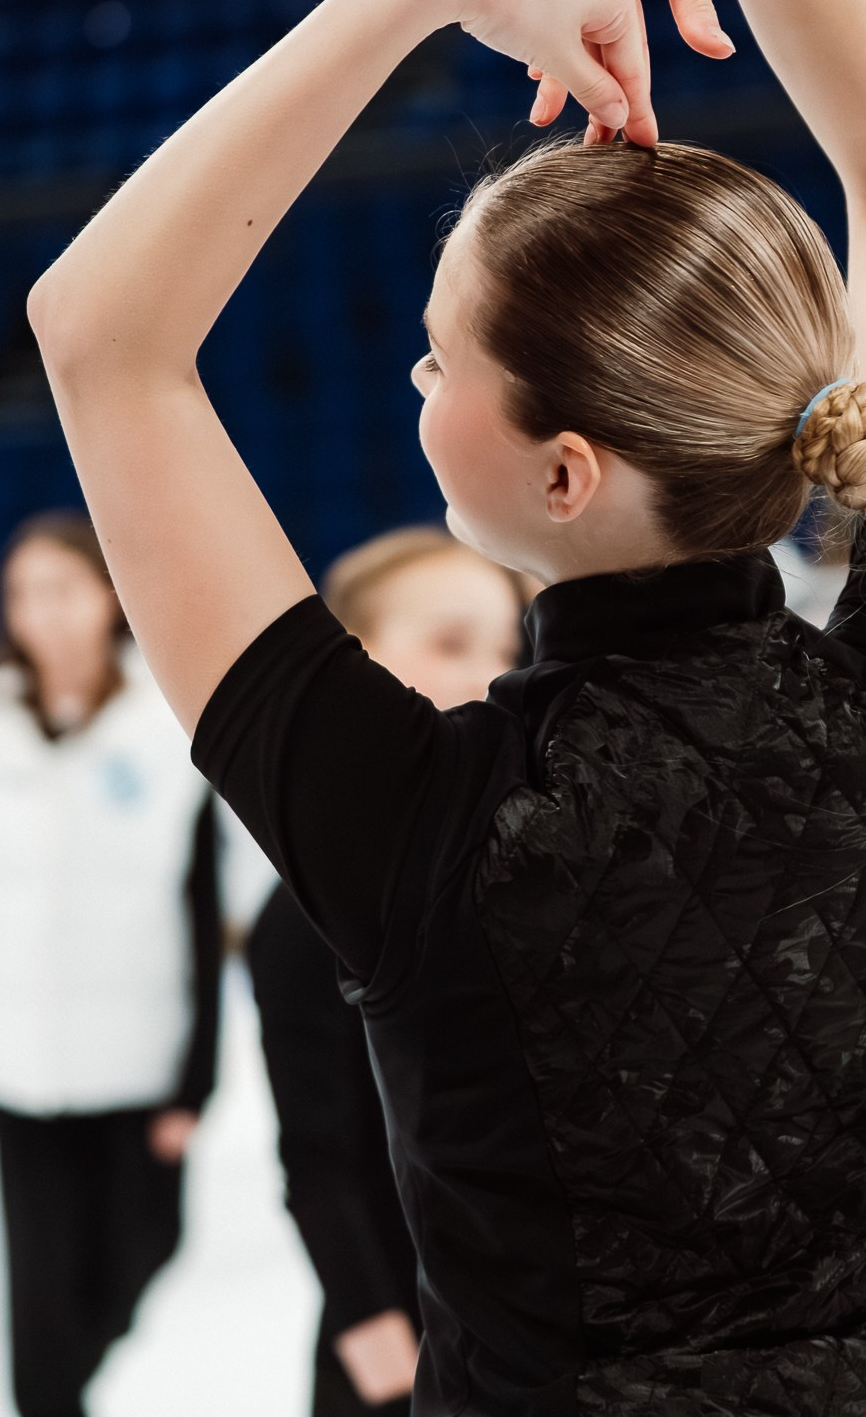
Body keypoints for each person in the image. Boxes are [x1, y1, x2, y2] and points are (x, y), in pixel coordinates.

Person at [24, 0, 866, 1416]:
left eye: (443, 353)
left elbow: (105, 338)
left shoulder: (433, 821)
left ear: (566, 471)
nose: (417, 376)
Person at [0, 512, 225, 1417]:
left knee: (148, 1246)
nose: (42, 611)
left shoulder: (167, 720)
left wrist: (196, 1078)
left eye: (62, 588)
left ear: (109, 596)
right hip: (17, 1065)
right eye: (23, 593)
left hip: (139, 1061)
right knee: (41, 1303)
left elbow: (200, 910)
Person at [247, 526, 527, 1417]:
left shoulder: (540, 850)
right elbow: (317, 1148)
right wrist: (370, 1321)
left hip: (540, 1328)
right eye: (450, 642)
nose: (488, 673)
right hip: (406, 1332)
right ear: (352, 660)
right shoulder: (304, 913)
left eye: (504, 647)